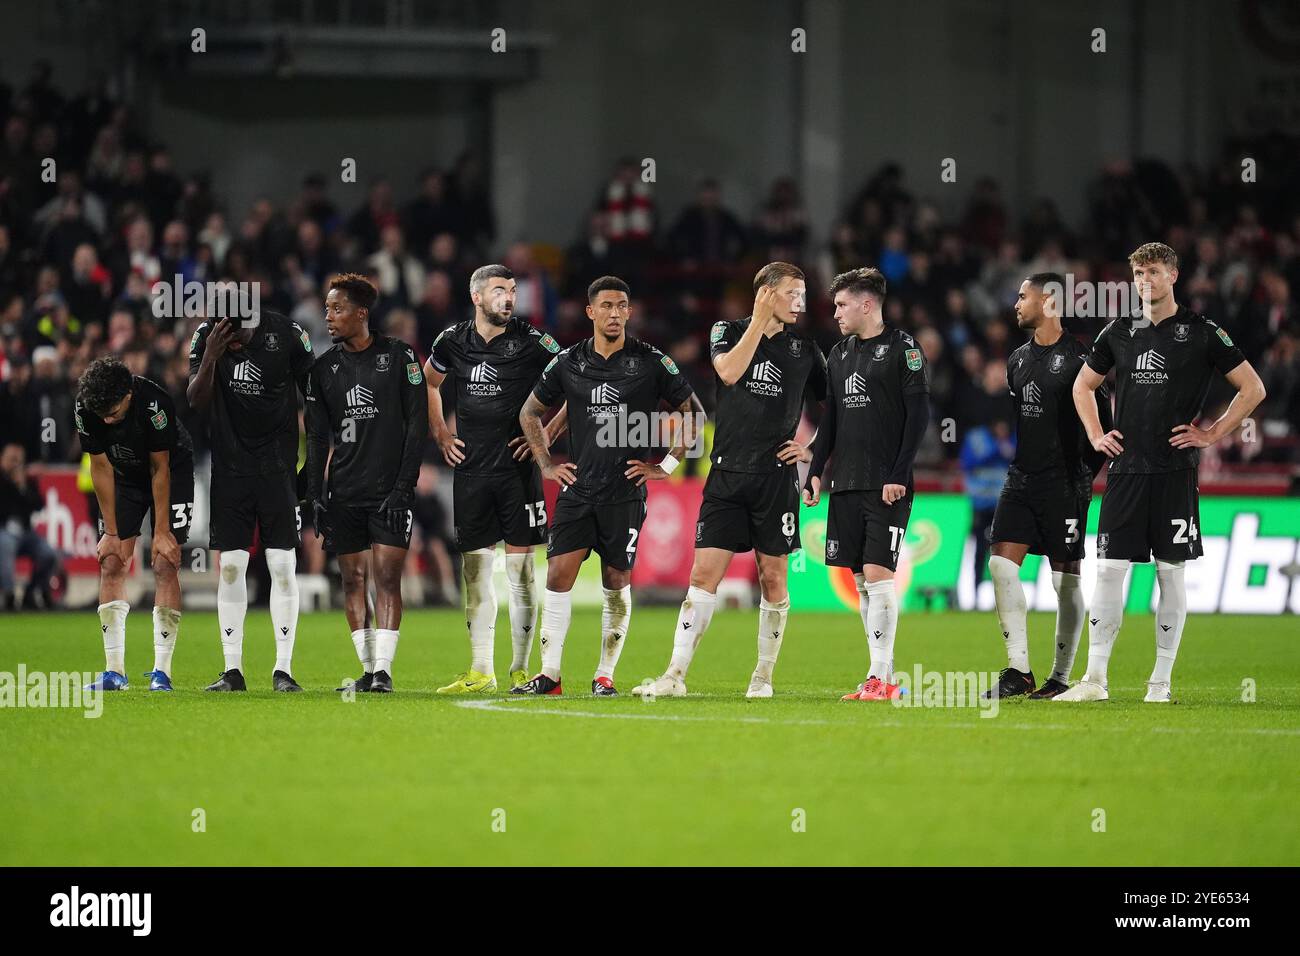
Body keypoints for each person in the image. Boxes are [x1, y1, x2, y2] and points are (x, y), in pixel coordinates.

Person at [1061, 242, 1266, 702]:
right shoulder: (1118, 331)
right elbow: (1082, 385)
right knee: (1110, 570)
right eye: (1137, 274)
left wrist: (1212, 433)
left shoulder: (1202, 331)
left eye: (1153, 272)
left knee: (1170, 574)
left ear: (1173, 275)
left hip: (1175, 470)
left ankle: (1160, 683)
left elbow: (1252, 387)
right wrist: (1097, 434)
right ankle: (1095, 680)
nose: (1144, 281)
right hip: (1126, 471)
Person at [633, 262, 826, 699]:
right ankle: (674, 675)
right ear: (766, 294)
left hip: (776, 479)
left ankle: (762, 677)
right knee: (702, 575)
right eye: (792, 293)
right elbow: (729, 373)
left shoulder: (806, 350)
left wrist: (811, 448)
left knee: (773, 577)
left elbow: (836, 408)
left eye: (802, 293)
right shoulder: (727, 330)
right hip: (726, 474)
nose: (800, 301)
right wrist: (757, 324)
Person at [515, 275, 698, 696]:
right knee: (558, 574)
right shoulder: (567, 361)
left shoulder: (650, 361)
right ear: (590, 312)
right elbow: (530, 413)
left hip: (624, 492)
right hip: (578, 489)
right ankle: (550, 675)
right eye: (607, 306)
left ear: (629, 313)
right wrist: (545, 463)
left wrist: (666, 465)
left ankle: (604, 675)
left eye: (621, 306)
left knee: (616, 581)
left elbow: (692, 411)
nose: (614, 314)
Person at [424, 263, 567, 693]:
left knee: (521, 573)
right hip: (470, 472)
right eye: (500, 291)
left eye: (513, 291)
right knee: (474, 573)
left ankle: (520, 670)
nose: (509, 298)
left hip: (516, 474)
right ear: (477, 297)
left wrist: (546, 436)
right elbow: (429, 385)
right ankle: (481, 671)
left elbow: (577, 381)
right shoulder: (452, 341)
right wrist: (441, 433)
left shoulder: (532, 341)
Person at [803, 268, 930, 701]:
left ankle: (878, 677)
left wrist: (899, 473)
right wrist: (816, 471)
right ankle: (883, 676)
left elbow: (919, 417)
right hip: (846, 483)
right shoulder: (838, 354)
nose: (835, 312)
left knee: (878, 578)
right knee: (860, 582)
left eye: (841, 304)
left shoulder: (903, 349)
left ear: (866, 304)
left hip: (885, 485)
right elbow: (832, 419)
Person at [984, 274, 1112, 700]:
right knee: (1001, 565)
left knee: (1065, 582)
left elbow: (1104, 431)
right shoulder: (1017, 360)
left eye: (1023, 296)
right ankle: (1018, 669)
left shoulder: (1082, 359)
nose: (1016, 303)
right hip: (1021, 479)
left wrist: (1079, 477)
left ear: (1050, 300)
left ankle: (1059, 677)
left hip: (1066, 483)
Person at [303, 274, 428, 694]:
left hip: (390, 491)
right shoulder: (323, 369)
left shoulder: (400, 357)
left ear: (361, 314)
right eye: (326, 309)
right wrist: (314, 492)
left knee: (386, 577)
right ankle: (368, 667)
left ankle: (384, 671)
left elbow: (417, 426)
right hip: (345, 491)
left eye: (337, 309)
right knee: (352, 580)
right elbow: (319, 437)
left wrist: (404, 487)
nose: (329, 317)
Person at [187, 309, 314, 692]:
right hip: (230, 469)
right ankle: (232, 670)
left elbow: (315, 396)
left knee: (281, 564)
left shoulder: (289, 335)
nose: (234, 342)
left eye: (237, 333)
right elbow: (196, 400)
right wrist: (211, 354)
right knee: (230, 567)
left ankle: (284, 669)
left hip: (278, 469)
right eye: (226, 333)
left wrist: (312, 468)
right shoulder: (210, 336)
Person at [75, 356, 194, 691]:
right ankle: (114, 672)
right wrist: (111, 533)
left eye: (114, 413)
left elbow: (161, 468)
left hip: (171, 472)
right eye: (103, 416)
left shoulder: (155, 404)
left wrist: (161, 532)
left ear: (128, 394)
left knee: (164, 563)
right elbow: (99, 466)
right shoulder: (87, 407)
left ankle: (162, 672)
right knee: (111, 560)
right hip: (123, 477)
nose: (108, 421)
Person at [0, 442, 62, 610]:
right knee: (5, 546)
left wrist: (22, 487)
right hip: (4, 530)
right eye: (12, 460)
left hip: (26, 532)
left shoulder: (26, 481)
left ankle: (32, 590)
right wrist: (11, 484)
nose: (15, 465)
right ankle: (9, 594)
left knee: (48, 553)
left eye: (18, 461)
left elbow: (38, 505)